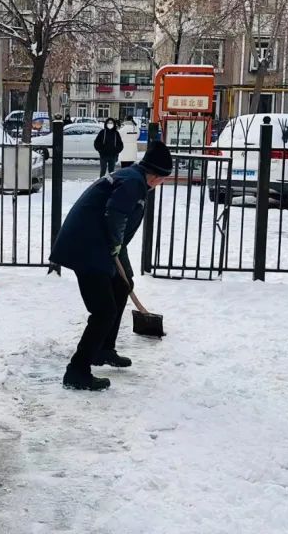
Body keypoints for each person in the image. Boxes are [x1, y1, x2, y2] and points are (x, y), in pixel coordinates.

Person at [49, 141, 174, 391]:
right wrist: (116, 245)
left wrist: (122, 261)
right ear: (156, 175)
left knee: (121, 285)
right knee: (103, 311)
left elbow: (119, 226)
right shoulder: (134, 182)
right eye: (162, 179)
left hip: (98, 245)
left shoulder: (133, 178)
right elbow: (115, 214)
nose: (161, 184)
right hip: (87, 248)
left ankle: (104, 349)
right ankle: (77, 370)